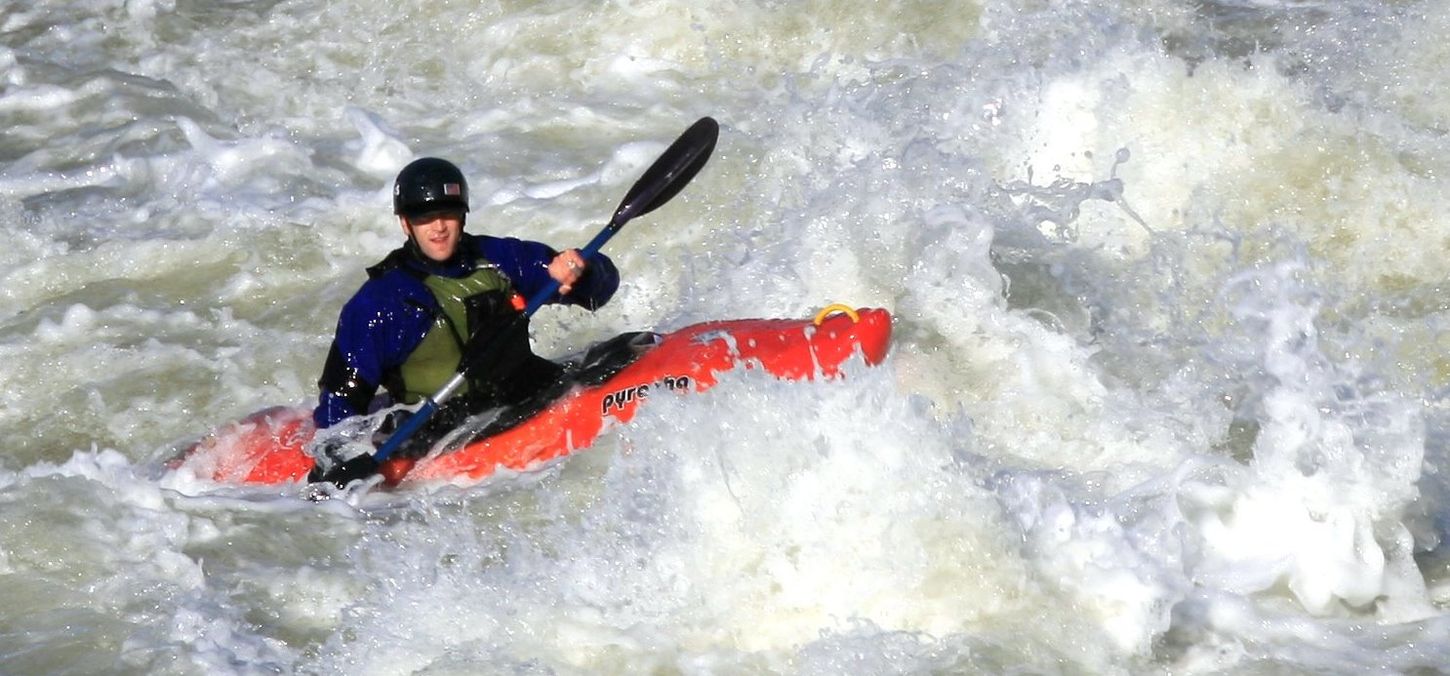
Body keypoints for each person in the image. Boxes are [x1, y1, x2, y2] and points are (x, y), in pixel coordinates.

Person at [307, 157, 619, 482]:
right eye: (425, 217)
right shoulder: (378, 305)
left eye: (448, 214)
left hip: (525, 392)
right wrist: (339, 461)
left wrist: (583, 272)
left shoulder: (500, 260)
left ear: (463, 215)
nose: (438, 227)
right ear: (406, 224)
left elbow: (601, 290)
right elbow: (338, 405)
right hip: (440, 429)